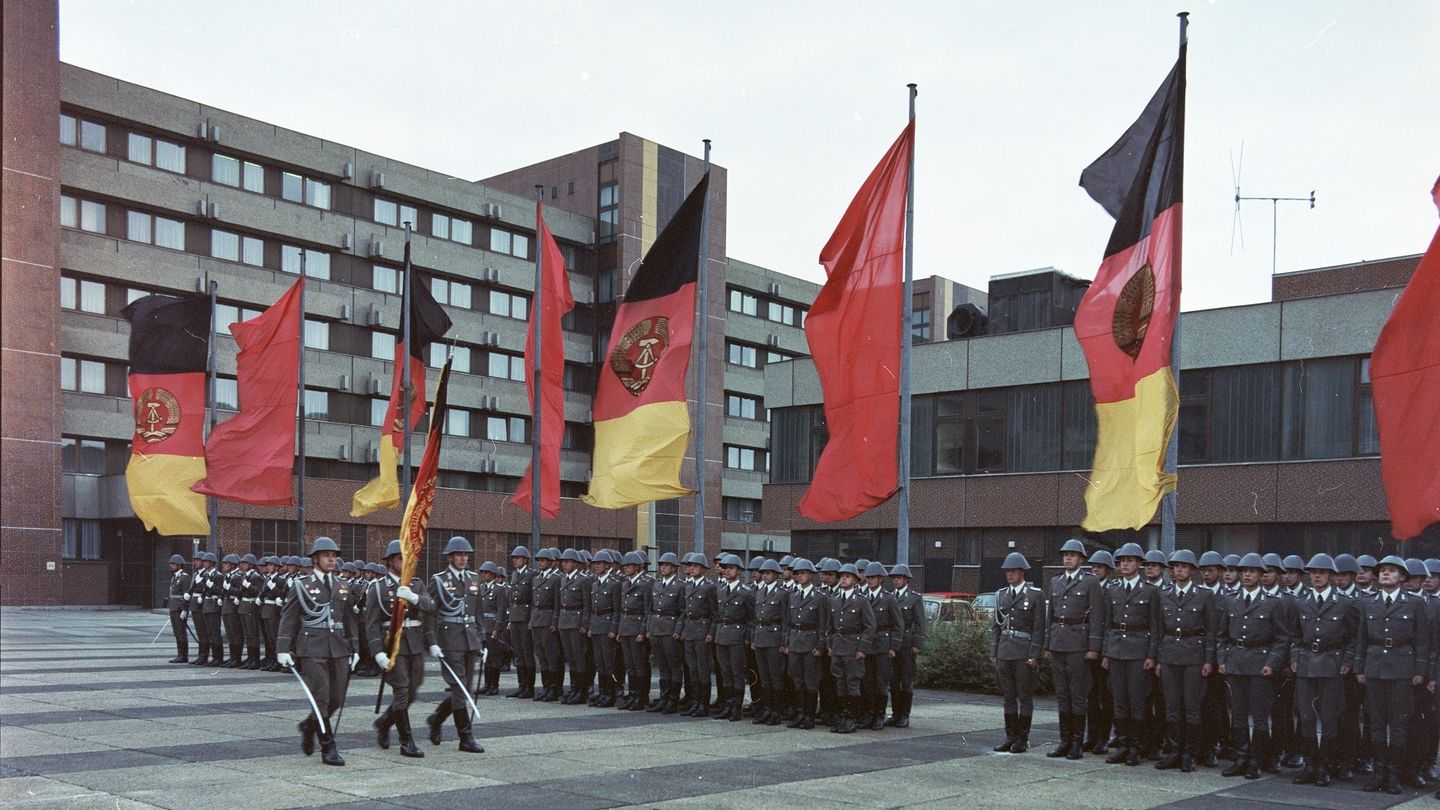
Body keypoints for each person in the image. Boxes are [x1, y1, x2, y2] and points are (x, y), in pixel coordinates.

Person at [276, 537, 359, 767]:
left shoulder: (343, 585)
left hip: (338, 647)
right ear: (315, 559)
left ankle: (309, 725)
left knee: (336, 698)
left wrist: (356, 647)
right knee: (321, 696)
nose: (332, 559)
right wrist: (283, 648)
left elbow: (350, 619)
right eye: (326, 555)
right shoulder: (301, 585)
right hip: (312, 647)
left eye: (334, 555)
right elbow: (289, 618)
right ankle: (328, 747)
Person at [1357, 555, 1430, 795]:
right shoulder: (1368, 602)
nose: (1386, 574)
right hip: (1375, 667)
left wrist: (1420, 671)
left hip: (1402, 669)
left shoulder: (1415, 603)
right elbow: (1362, 638)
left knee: (1399, 724)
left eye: (1392, 571)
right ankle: (1378, 774)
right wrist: (1360, 667)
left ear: (1402, 577)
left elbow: (1422, 641)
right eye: (1383, 571)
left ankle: (1393, 775)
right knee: (1376, 722)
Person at [1217, 552, 1293, 780]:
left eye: (1252, 571)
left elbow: (1282, 638)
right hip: (1237, 663)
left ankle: (1256, 760)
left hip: (1260, 665)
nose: (1247, 575)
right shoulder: (1230, 599)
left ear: (1261, 575)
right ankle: (1241, 757)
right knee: (1238, 715)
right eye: (1244, 571)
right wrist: (1222, 660)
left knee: (1259, 717)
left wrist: (1272, 663)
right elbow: (1222, 635)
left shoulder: (1273, 603)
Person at [1289, 553, 1357, 787]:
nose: (1317, 576)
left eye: (1322, 572)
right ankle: (1310, 764)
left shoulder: (1345, 603)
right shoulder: (1300, 602)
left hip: (1332, 664)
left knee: (1329, 718)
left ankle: (1324, 767)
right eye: (1313, 572)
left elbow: (1353, 637)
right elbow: (1295, 635)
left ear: (1330, 575)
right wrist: (1295, 657)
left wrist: (1347, 660)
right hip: (1307, 664)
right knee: (1307, 717)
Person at [1154, 549, 1218, 772]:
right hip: (1170, 654)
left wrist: (1209, 660)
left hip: (1194, 655)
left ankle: (1189, 753)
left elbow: (1211, 631)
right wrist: (1158, 659)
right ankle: (1174, 751)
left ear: (1192, 570)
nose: (1178, 570)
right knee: (1172, 707)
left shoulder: (1204, 595)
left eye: (1183, 566)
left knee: (1191, 707)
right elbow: (1159, 630)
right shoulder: (1163, 594)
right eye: (1175, 567)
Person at [422, 536, 485, 753]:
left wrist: (481, 640)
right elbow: (429, 613)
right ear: (450, 557)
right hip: (449, 640)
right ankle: (465, 737)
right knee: (460, 689)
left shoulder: (474, 579)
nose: (463, 558)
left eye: (466, 555)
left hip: (470, 639)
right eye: (459, 555)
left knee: (465, 689)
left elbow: (478, 612)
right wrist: (431, 642)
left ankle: (436, 719)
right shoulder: (438, 581)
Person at [1102, 543, 1161, 766]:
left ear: (1139, 564)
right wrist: (1106, 652)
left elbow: (1156, 627)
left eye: (1129, 560)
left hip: (1139, 650)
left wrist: (1151, 656)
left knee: (1137, 701)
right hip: (1117, 650)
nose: (1125, 564)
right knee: (1119, 700)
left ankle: (1137, 746)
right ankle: (1124, 744)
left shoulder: (1150, 590)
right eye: (1122, 561)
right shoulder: (1113, 589)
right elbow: (1108, 624)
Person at [1046, 539, 1104, 760]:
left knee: (1077, 695)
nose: (1068, 558)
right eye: (1065, 555)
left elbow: (1097, 617)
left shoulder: (1090, 582)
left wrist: (1094, 647)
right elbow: (1050, 615)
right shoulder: (1055, 582)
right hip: (1059, 642)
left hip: (1078, 643)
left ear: (1081, 559)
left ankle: (1077, 743)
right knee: (1062, 694)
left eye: (1072, 555)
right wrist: (1048, 644)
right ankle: (1065, 740)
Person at [991, 552, 1046, 753]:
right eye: (1008, 571)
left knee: (1024, 697)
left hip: (1024, 652)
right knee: (1008, 696)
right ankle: (1010, 736)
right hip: (1005, 651)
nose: (1010, 574)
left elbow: (1039, 628)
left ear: (1022, 572)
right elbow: (996, 626)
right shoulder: (1001, 595)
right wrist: (993, 651)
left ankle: (1022, 738)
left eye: (1013, 571)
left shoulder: (1035, 595)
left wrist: (1035, 654)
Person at [827, 563, 875, 735]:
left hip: (853, 647)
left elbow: (870, 627)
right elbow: (829, 626)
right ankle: (843, 716)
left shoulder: (861, 601)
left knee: (852, 683)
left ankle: (852, 719)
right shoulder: (834, 599)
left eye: (848, 576)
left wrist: (862, 648)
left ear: (855, 580)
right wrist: (830, 646)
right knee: (840, 683)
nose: (844, 579)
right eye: (842, 576)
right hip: (838, 647)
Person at [861, 561, 903, 730]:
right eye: (868, 577)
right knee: (866, 682)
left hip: (882, 645)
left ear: (880, 579)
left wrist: (893, 647)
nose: (870, 580)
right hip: (866, 645)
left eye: (873, 578)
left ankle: (879, 715)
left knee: (881, 682)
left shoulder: (888, 598)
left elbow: (898, 625)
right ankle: (869, 714)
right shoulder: (862, 596)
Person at [713, 554, 753, 722]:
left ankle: (736, 708)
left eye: (731, 568)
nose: (727, 571)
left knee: (737, 673)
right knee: (725, 672)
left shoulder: (745, 593)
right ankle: (728, 705)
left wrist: (747, 638)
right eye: (725, 568)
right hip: (722, 634)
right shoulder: (720, 590)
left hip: (737, 635)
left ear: (739, 571)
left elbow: (752, 619)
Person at [1084, 549, 1117, 753]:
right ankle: (1092, 735)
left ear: (1108, 570)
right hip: (1089, 648)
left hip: (1106, 650)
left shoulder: (1112, 590)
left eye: (1100, 567)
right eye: (1093, 566)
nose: (1096, 569)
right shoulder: (1087, 588)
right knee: (1091, 695)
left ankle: (1103, 738)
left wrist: (1105, 652)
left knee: (1106, 696)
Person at [646, 551, 685, 714]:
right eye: (661, 565)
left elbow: (683, 611)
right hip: (656, 629)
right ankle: (664, 697)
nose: (663, 568)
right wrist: (649, 628)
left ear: (674, 568)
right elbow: (651, 609)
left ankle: (672, 700)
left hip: (670, 630)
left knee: (673, 666)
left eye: (666, 565)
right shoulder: (656, 584)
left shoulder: (680, 586)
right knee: (662, 666)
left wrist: (678, 630)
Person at [887, 563, 925, 729]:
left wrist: (917, 643)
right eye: (894, 578)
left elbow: (920, 623)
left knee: (906, 680)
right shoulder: (889, 597)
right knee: (893, 680)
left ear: (906, 580)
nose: (896, 580)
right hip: (891, 644)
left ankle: (904, 715)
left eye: (899, 578)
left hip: (907, 644)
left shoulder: (914, 598)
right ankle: (895, 714)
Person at [681, 552, 717, 718]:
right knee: (692, 669)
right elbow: (684, 611)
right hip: (689, 630)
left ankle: (703, 704)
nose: (693, 569)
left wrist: (710, 633)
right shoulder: (688, 586)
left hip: (702, 630)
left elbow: (714, 614)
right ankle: (695, 702)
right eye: (691, 566)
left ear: (703, 569)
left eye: (696, 566)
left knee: (702, 670)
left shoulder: (709, 587)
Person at [555, 549, 593, 705]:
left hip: (576, 622)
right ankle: (574, 688)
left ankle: (581, 691)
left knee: (579, 658)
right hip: (565, 621)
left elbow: (587, 604)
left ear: (576, 563)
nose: (564, 564)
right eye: (563, 561)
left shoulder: (583, 580)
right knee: (570, 658)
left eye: (568, 561)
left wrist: (584, 624)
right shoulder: (563, 579)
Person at [506, 546, 537, 699]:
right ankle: (521, 685)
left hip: (525, 618)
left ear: (525, 559)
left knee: (526, 652)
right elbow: (512, 599)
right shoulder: (514, 575)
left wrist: (531, 618)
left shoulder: (531, 575)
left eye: (518, 558)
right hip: (516, 618)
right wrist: (510, 619)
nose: (515, 560)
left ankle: (529, 687)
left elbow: (534, 599)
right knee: (518, 653)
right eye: (513, 558)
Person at [165, 554, 191, 664]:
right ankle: (179, 653)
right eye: (170, 563)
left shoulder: (185, 577)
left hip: (180, 608)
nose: (171, 565)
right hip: (173, 607)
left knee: (181, 632)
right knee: (176, 632)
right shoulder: (174, 577)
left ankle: (183, 655)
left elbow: (187, 595)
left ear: (179, 565)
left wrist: (185, 610)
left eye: (173, 564)